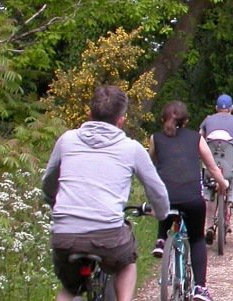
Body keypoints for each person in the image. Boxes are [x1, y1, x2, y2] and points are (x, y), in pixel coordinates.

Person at [42, 85, 171, 301]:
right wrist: (161, 213)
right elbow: (157, 190)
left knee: (70, 289)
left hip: (65, 234)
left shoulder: (67, 140)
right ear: (121, 120)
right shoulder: (131, 148)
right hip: (108, 236)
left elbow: (48, 181)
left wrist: (54, 202)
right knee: (127, 262)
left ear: (89, 113)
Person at [148, 101, 229, 301]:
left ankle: (160, 240)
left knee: (165, 196)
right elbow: (212, 167)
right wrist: (223, 184)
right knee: (197, 239)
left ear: (162, 119)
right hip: (192, 199)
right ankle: (200, 288)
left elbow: (151, 167)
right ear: (187, 121)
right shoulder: (196, 138)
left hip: (166, 199)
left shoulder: (155, 139)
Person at [199, 94, 233, 242]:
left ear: (216, 108)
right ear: (231, 108)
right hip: (229, 164)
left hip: (210, 164)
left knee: (209, 190)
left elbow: (199, 139)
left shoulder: (207, 120)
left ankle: (209, 226)